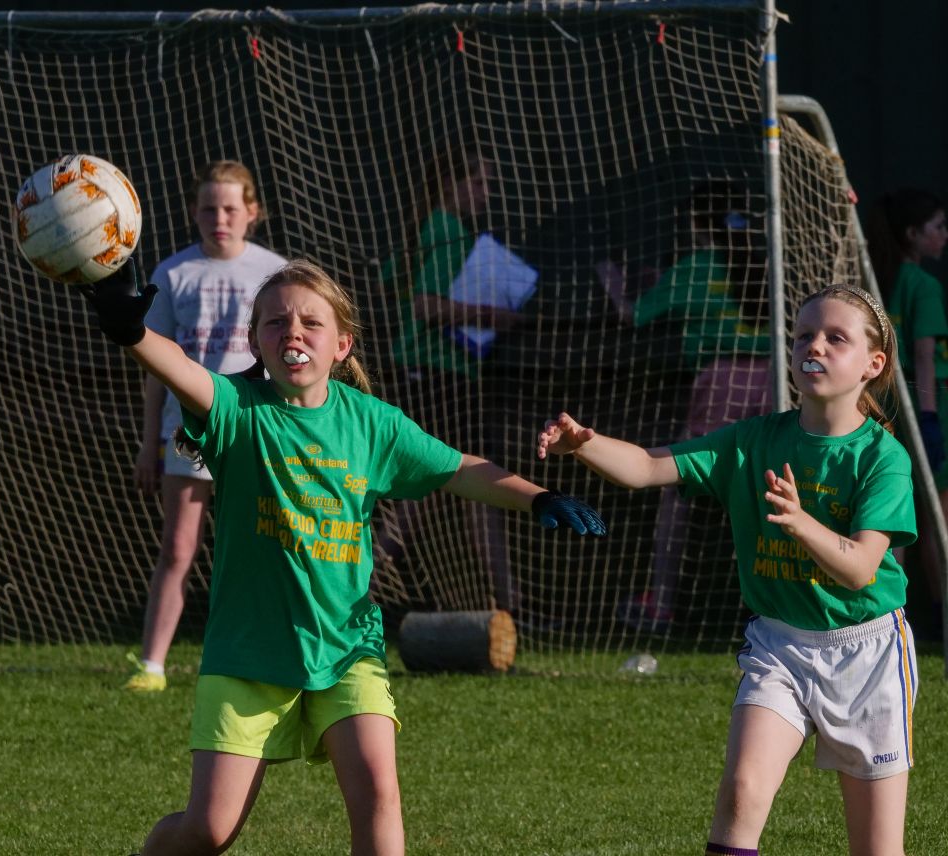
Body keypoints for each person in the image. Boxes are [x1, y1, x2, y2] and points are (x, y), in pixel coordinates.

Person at [86, 257, 604, 855]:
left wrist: (540, 498)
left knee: (380, 797)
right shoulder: (236, 407)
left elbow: (456, 468)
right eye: (275, 323)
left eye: (311, 322)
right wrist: (132, 332)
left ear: (342, 345)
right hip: (249, 651)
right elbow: (182, 371)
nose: (294, 333)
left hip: (347, 647)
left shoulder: (373, 425)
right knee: (209, 831)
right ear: (255, 340)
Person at [538, 284, 917, 855]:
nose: (814, 346)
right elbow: (644, 467)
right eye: (802, 335)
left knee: (877, 847)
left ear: (873, 364)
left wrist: (800, 522)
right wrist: (585, 443)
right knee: (742, 791)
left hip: (867, 655)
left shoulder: (882, 458)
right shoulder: (752, 440)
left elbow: (862, 569)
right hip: (780, 646)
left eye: (835, 338)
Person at [127, 160, 288, 692]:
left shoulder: (276, 272)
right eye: (208, 208)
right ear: (194, 213)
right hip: (188, 431)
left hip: (258, 426)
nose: (219, 218)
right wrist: (149, 440)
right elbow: (156, 366)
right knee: (179, 547)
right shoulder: (173, 274)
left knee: (267, 542)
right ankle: (152, 665)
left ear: (252, 213)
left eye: (230, 208)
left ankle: (274, 650)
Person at [596, 180, 771, 631]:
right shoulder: (766, 264)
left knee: (677, 489)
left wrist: (613, 281)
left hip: (720, 384)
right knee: (772, 489)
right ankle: (780, 600)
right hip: (776, 384)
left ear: (697, 223)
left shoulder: (694, 266)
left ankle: (662, 601)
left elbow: (633, 314)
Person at [386, 143, 536, 615]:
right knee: (444, 485)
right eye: (477, 182)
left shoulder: (445, 230)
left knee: (467, 486)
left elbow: (399, 282)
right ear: (449, 184)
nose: (485, 193)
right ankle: (358, 582)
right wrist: (490, 314)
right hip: (435, 375)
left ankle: (506, 604)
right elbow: (424, 305)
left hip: (450, 373)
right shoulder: (446, 229)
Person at [867, 187, 948, 615]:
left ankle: (890, 608)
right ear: (913, 234)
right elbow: (921, 355)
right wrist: (931, 417)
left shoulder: (874, 276)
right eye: (937, 227)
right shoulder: (921, 284)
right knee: (935, 516)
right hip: (921, 406)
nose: (944, 235)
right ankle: (936, 609)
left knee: (891, 509)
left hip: (883, 403)